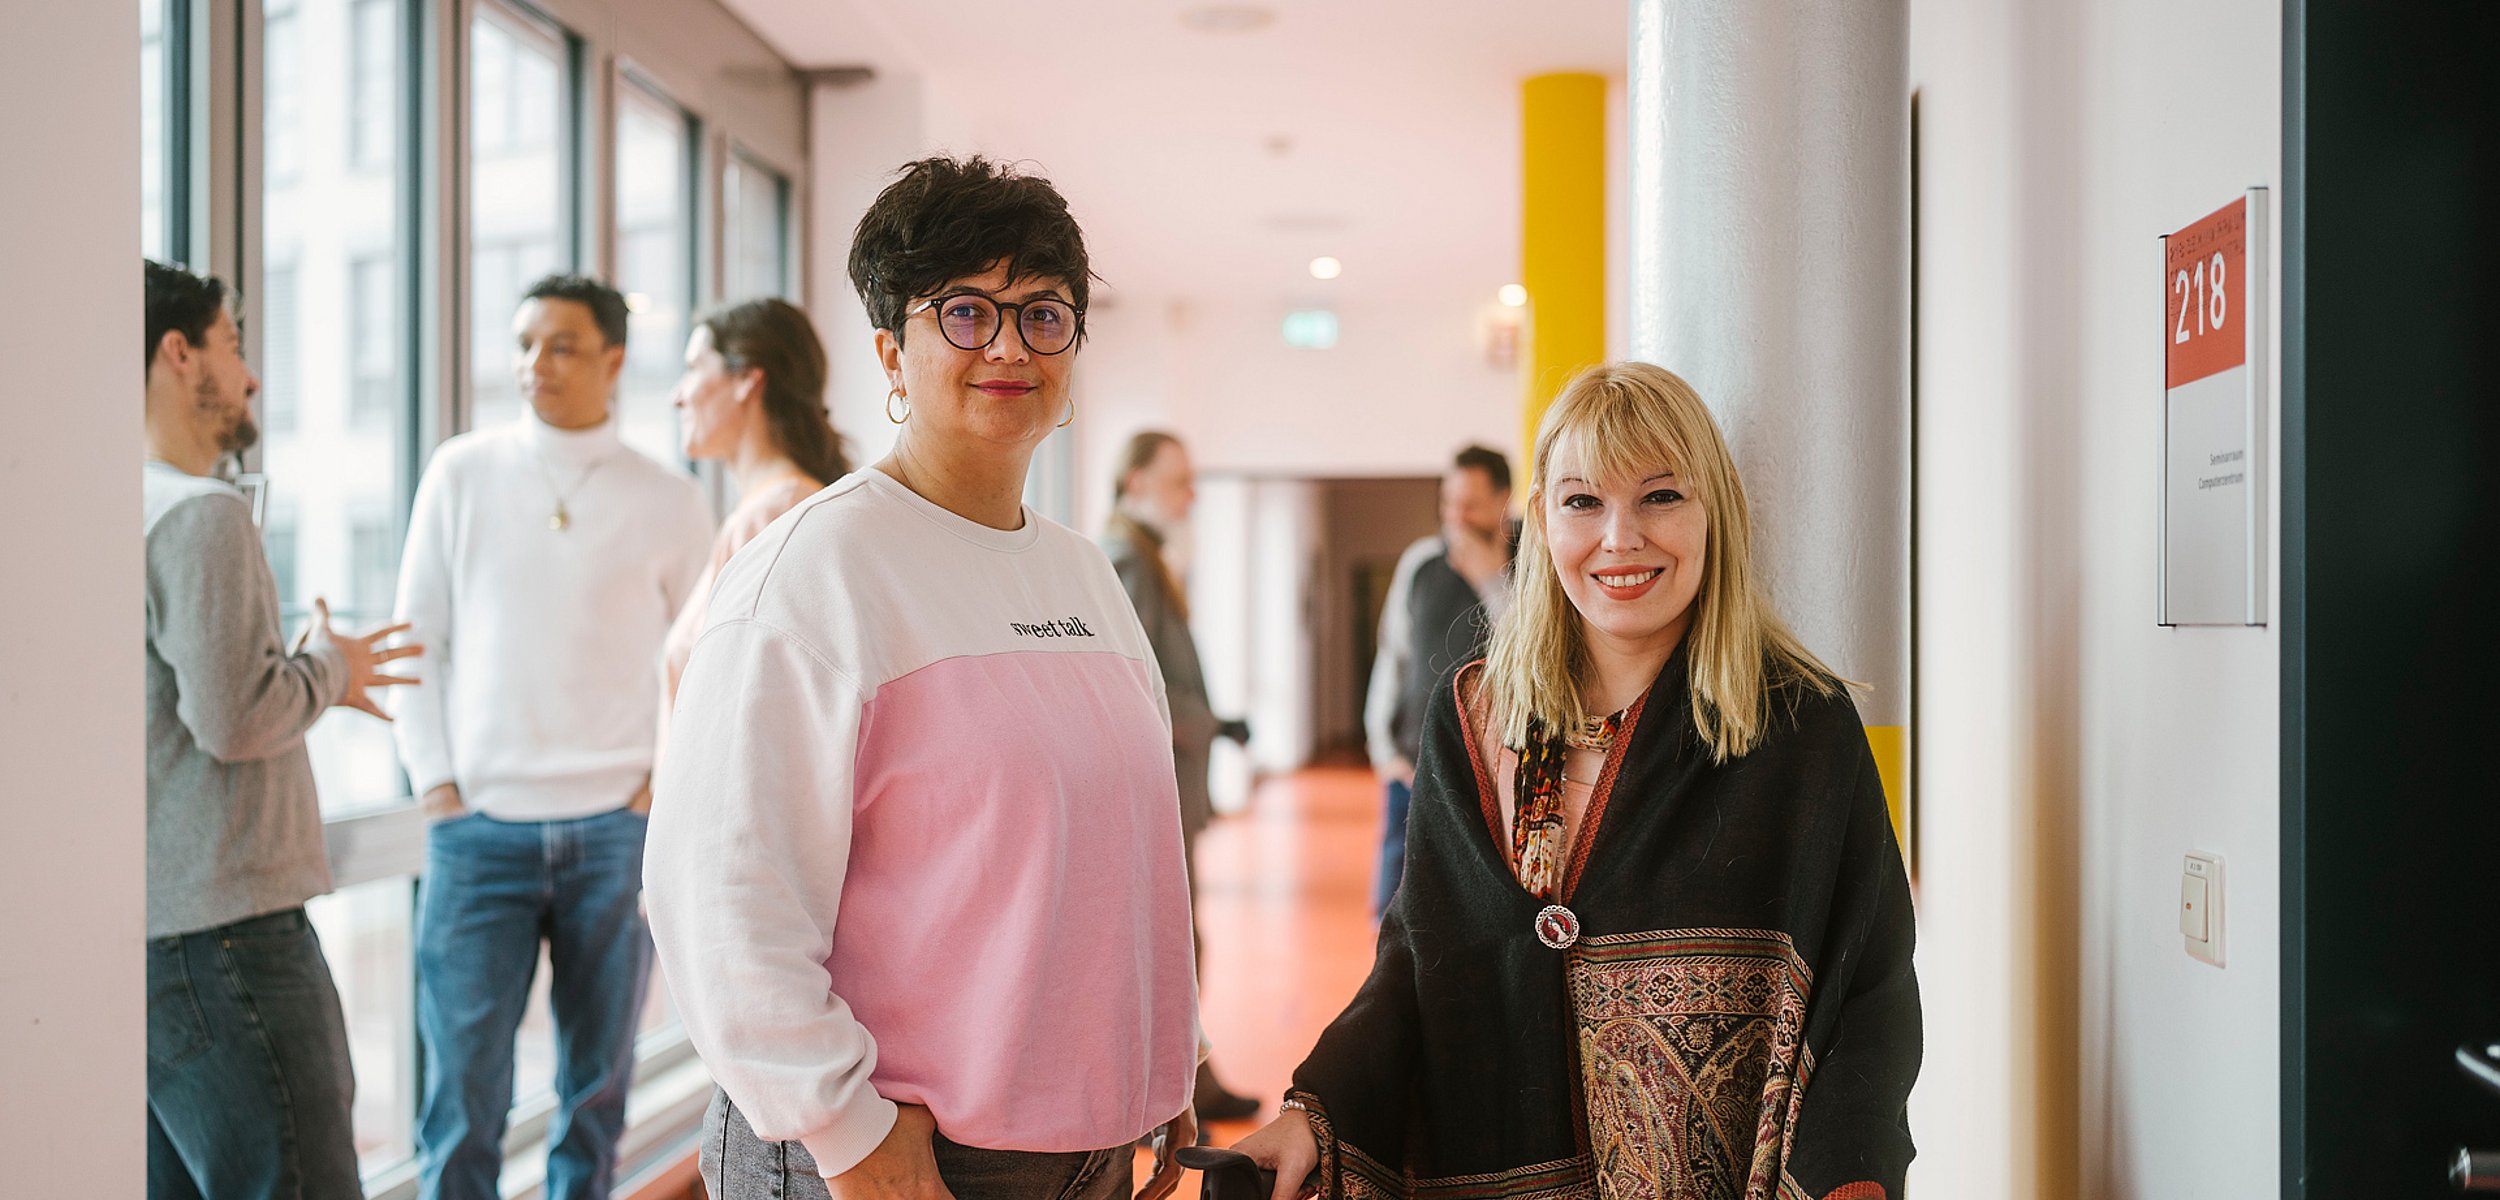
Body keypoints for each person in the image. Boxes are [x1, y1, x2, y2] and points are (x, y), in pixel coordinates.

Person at [646, 155, 1199, 1200]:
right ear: (890, 348)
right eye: (963, 311)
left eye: (1043, 313)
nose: (1006, 345)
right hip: (890, 1158)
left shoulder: (1080, 571)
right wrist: (852, 1137)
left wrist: (1164, 1067)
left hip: (1076, 1152)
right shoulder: (813, 571)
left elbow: (1117, 856)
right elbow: (716, 900)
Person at [1233, 363, 1921, 1200]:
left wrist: (1853, 1176)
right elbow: (1419, 960)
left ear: (1717, 514)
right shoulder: (1474, 716)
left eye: (1661, 497)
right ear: (1541, 521)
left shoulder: (1804, 730)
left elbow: (1869, 988)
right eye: (1582, 501)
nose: (1619, 538)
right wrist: (1320, 1109)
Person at [392, 274, 713, 1200]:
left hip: (616, 831)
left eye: (562, 345)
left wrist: (657, 787)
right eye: (526, 342)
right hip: (478, 833)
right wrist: (436, 788)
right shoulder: (463, 470)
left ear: (614, 359)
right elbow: (418, 640)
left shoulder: (669, 498)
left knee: (596, 1094)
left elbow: (702, 664)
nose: (536, 363)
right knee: (461, 1100)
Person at [143, 259, 417, 1200]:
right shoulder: (200, 513)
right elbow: (236, 715)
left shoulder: (102, 507)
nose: (251, 376)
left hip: (155, 941)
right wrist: (331, 667)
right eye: (234, 344)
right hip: (232, 939)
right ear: (179, 353)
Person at [1099, 430, 1258, 1124]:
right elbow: (1137, 684)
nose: (1190, 495)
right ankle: (1175, 1086)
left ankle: (1182, 1079)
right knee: (1170, 940)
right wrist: (1210, 726)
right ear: (1134, 482)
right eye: (1177, 481)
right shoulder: (1129, 560)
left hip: (1168, 778)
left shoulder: (1141, 555)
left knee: (1174, 937)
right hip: (1152, 788)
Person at [660, 296, 849, 722]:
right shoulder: (781, 507)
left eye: (693, 369)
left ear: (747, 378)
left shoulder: (771, 517)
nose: (677, 397)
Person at [1361, 444, 1514, 916]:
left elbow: (1534, 652)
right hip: (1411, 763)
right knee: (1393, 896)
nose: (1456, 517)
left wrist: (1491, 580)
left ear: (1503, 500)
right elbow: (1394, 652)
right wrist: (1381, 747)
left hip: (1492, 767)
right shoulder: (1421, 561)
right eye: (1449, 503)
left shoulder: (1534, 560)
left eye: (1470, 505)